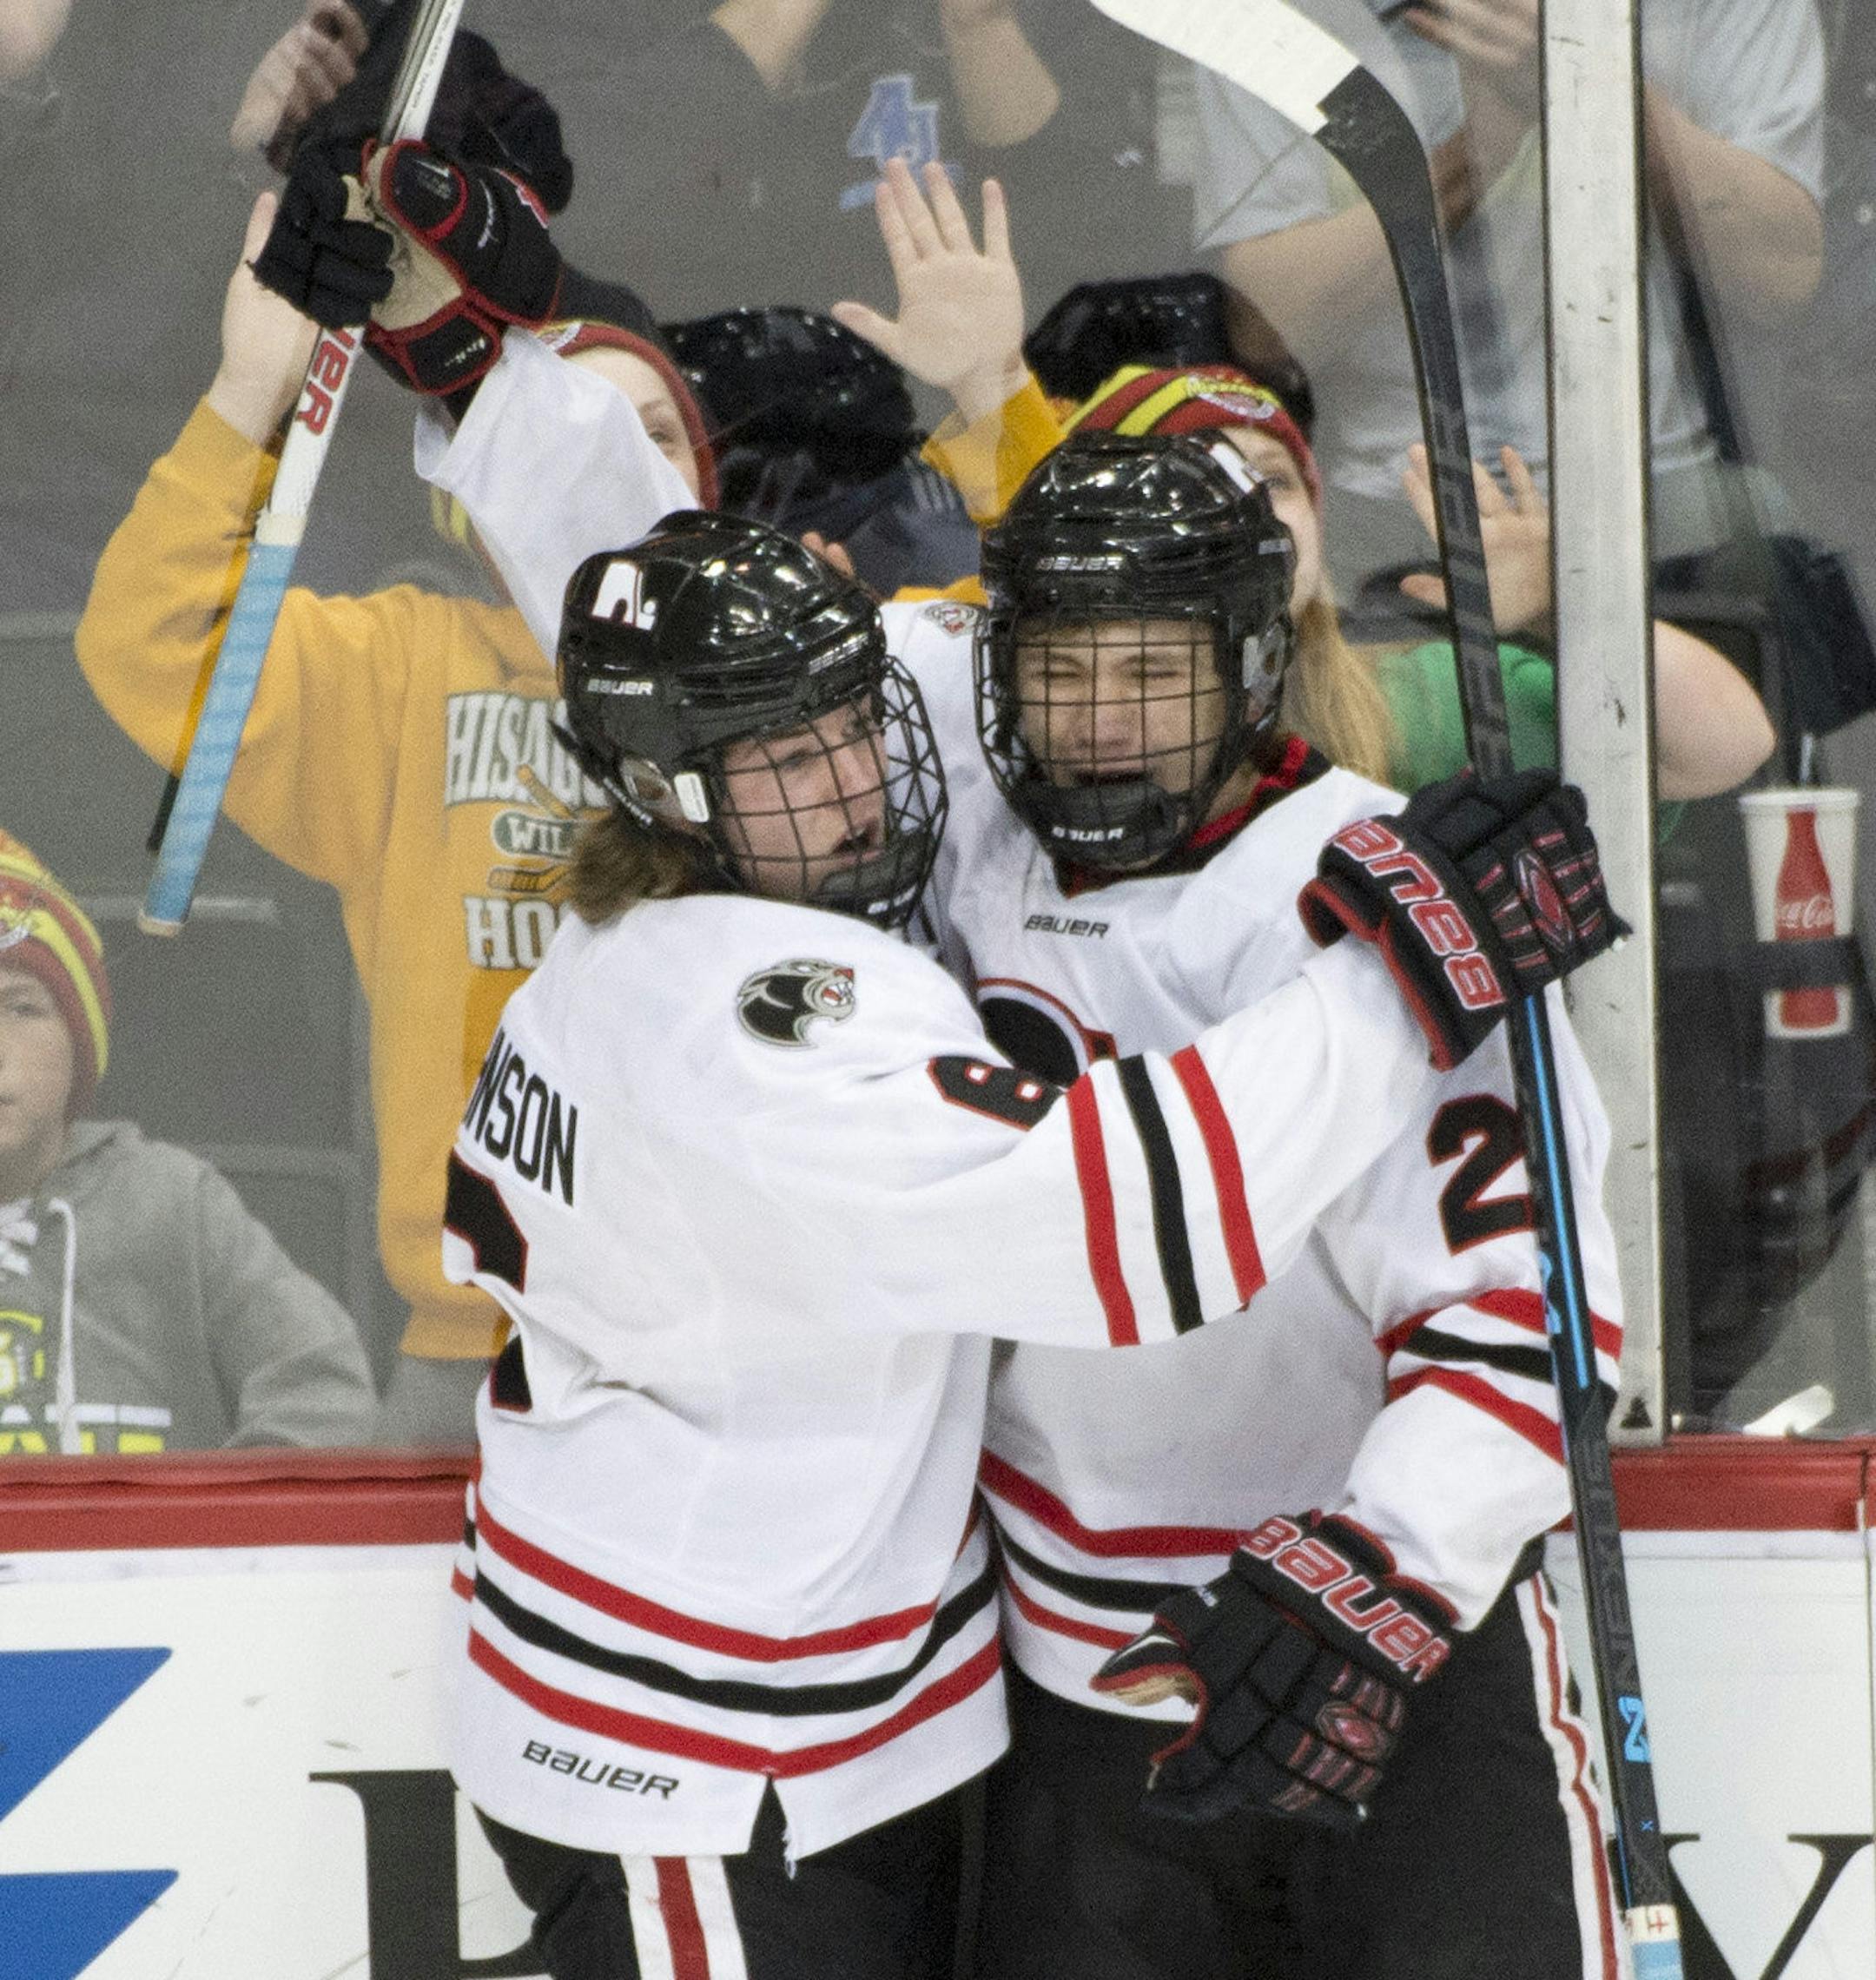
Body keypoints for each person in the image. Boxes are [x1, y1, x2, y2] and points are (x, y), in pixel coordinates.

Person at [440, 490, 1618, 1977]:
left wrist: (1387, 1571)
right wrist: (1407, 964)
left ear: (1256, 666)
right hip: (912, 1703)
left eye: (1152, 670)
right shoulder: (788, 973)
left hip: (1371, 1668)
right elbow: (1134, 1216)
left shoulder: (897, 806)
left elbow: (1523, 1315)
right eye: (1061, 671)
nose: (1101, 719)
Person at [74, 168, 712, 1442]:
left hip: (727, 1337)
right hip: (464, 1356)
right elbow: (149, 640)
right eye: (564, 434)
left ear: (710, 471)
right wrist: (250, 391)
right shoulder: (399, 669)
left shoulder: (799, 674)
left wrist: (999, 418)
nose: (605, 471)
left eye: (650, 435)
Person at [842, 157, 1775, 802]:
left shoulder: (1411, 699)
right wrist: (989, 389)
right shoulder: (1032, 680)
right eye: (1199, 479)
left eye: (1277, 483)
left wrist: (1569, 609)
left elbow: (1726, 744)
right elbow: (1060, 566)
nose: (1249, 511)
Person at [1190, 0, 1827, 596]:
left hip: (1655, 492)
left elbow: (1782, 275)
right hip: (1393, 510)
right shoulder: (1281, 16)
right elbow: (1266, 333)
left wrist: (1593, 78)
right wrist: (1478, 152)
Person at [0, 832, 376, 1453]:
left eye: (21, 1009)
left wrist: (218, 1540)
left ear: (80, 1041)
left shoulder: (171, 1204)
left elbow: (323, 1394)